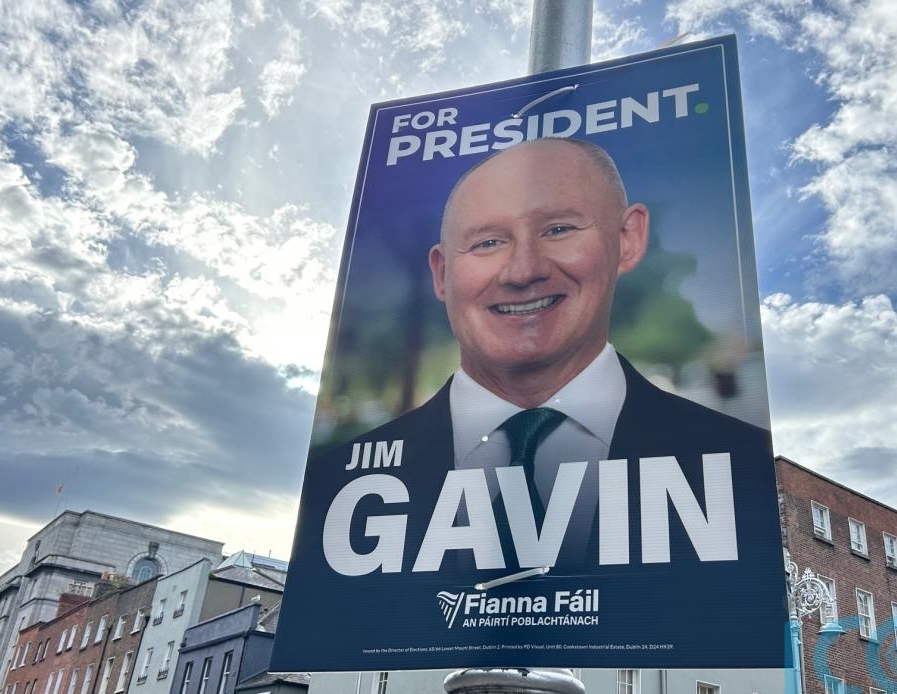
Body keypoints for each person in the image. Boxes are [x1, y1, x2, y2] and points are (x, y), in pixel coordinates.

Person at [309, 137, 770, 574]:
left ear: (628, 238)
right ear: (442, 272)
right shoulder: (339, 491)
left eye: (558, 229)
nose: (523, 271)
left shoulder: (740, 468)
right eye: (488, 242)